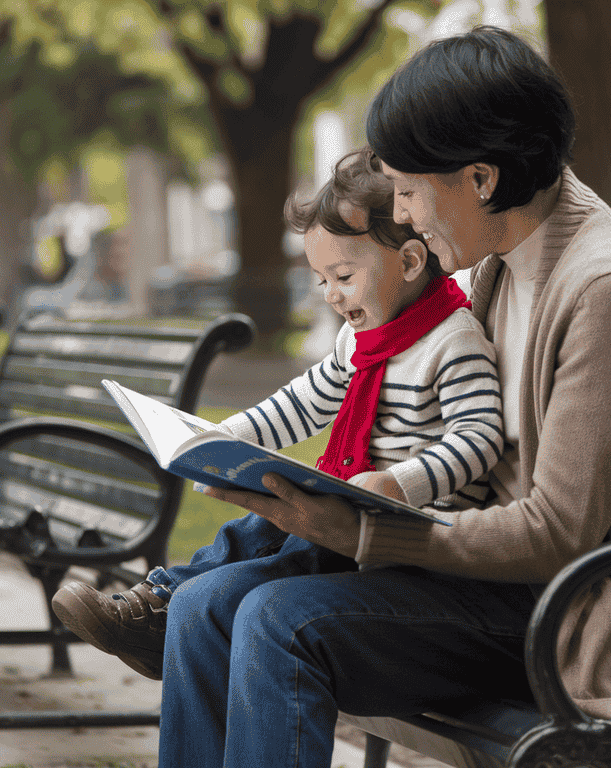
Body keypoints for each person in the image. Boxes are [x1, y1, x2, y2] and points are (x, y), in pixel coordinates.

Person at [56, 25, 611, 768]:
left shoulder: (608, 287)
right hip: (506, 581)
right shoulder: (508, 257)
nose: (400, 214)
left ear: (481, 180)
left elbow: (559, 532)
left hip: (596, 607)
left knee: (280, 620)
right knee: (206, 607)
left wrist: (369, 531)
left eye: (407, 190)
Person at [53, 147, 504, 668]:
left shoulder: (453, 340)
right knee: (259, 523)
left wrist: (402, 482)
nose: (332, 295)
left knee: (296, 533)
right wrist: (223, 439)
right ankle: (157, 604)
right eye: (322, 281)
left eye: (343, 276)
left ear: (408, 262)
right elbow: (304, 402)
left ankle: (170, 619)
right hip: (358, 511)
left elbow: (479, 438)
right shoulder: (357, 338)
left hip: (411, 533)